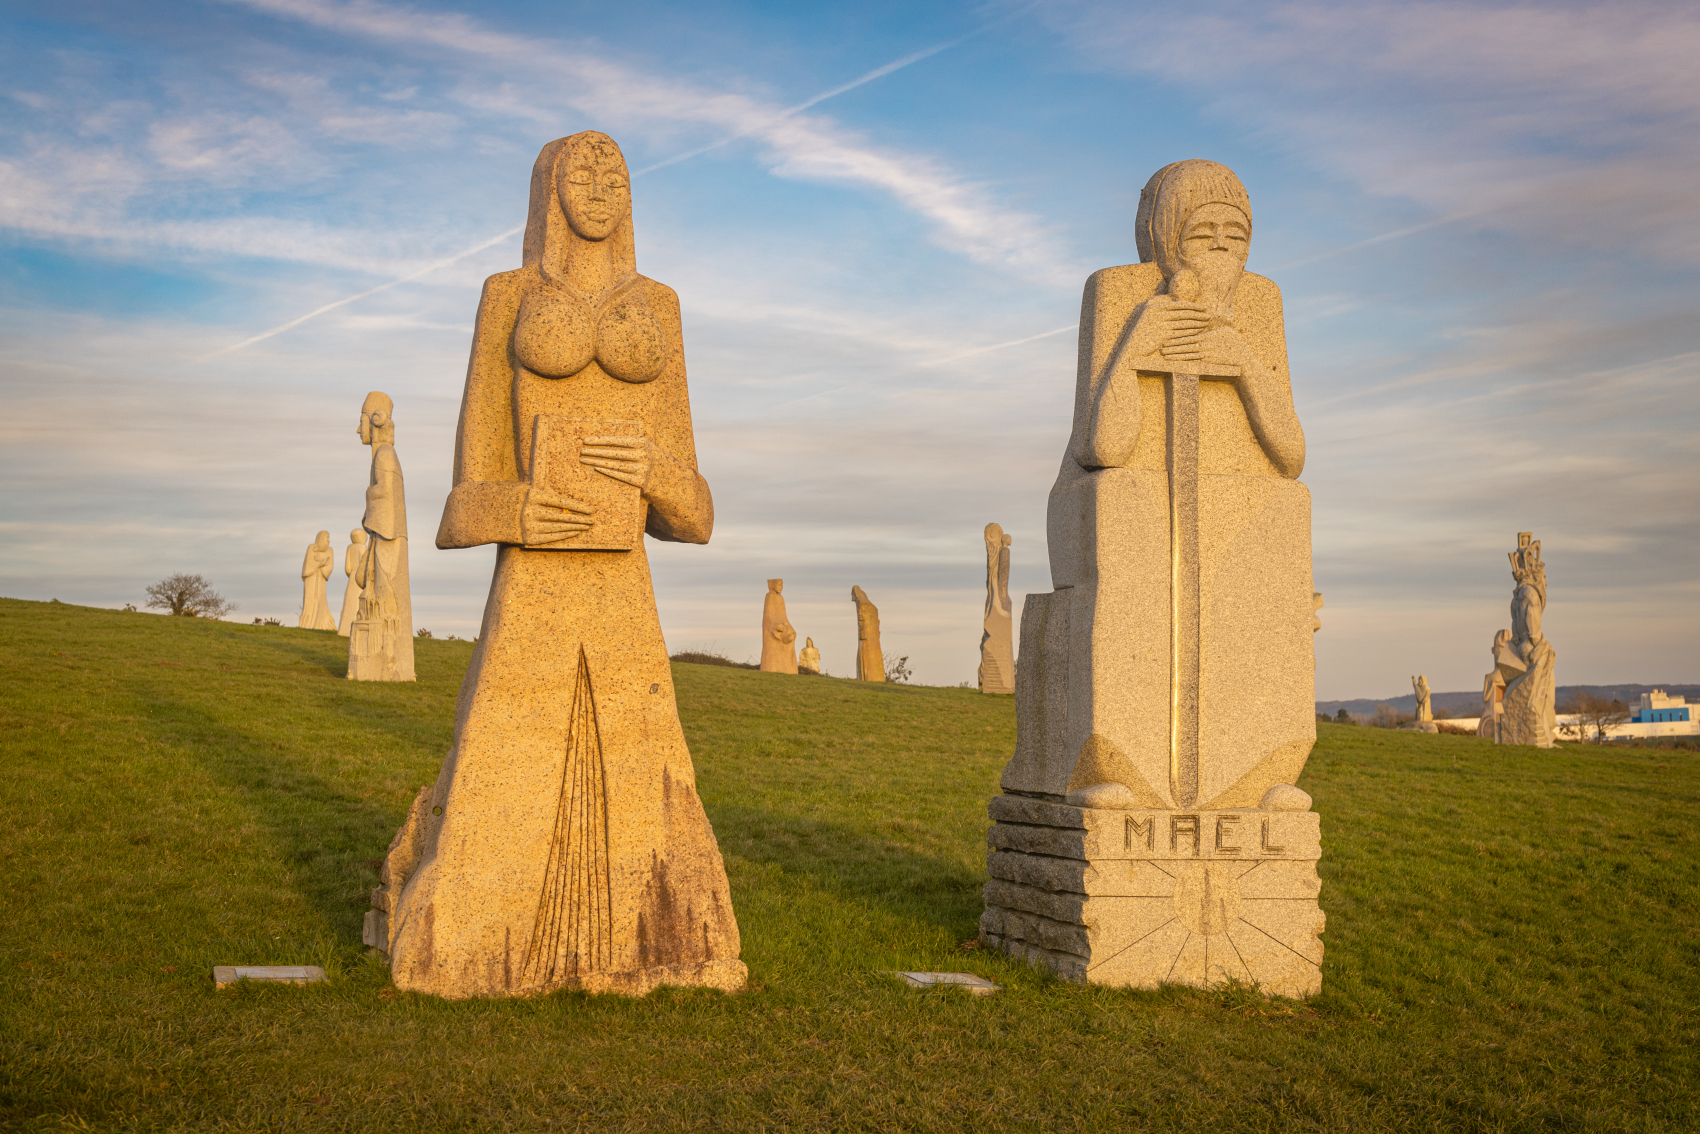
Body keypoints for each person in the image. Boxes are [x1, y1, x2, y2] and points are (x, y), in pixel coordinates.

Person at [374, 132, 743, 999]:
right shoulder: (509, 296)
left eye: (616, 173)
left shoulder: (658, 305)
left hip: (624, 592)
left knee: (645, 775)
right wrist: (516, 510)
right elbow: (462, 503)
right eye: (582, 172)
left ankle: (658, 948)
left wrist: (653, 472)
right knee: (505, 770)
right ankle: (473, 951)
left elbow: (695, 515)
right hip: (532, 587)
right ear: (550, 188)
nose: (601, 187)